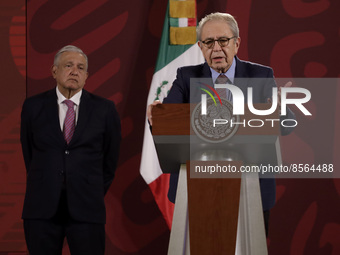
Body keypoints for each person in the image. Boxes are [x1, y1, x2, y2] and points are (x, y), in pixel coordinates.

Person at [147, 12, 295, 236]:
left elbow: (286, 125)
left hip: (251, 188)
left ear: (237, 43)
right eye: (208, 42)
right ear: (200, 46)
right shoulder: (186, 77)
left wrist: (281, 108)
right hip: (196, 187)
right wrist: (155, 117)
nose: (216, 48)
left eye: (223, 41)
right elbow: (167, 123)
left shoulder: (261, 75)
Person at [20, 45, 121, 255]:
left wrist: (90, 188)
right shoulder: (32, 107)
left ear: (86, 75)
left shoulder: (105, 109)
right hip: (41, 208)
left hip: (87, 208)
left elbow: (110, 160)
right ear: (54, 71)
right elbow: (29, 153)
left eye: (80, 67)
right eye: (68, 65)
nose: (75, 71)